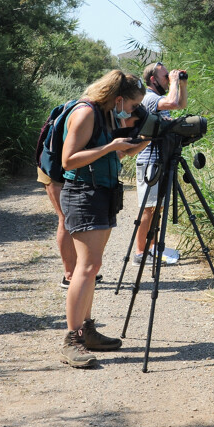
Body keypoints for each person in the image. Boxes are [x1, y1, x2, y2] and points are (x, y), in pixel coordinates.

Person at [58, 69, 149, 368]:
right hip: (83, 194)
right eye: (134, 106)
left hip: (101, 192)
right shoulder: (86, 112)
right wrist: (111, 145)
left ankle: (87, 330)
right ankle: (72, 339)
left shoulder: (106, 113)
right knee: (86, 268)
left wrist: (140, 143)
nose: (133, 112)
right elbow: (68, 160)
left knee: (93, 266)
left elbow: (107, 157)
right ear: (119, 98)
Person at [132, 62, 188, 266]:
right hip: (149, 160)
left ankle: (152, 247)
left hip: (159, 159)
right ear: (153, 79)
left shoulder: (160, 97)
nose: (168, 79)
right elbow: (173, 103)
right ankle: (140, 252)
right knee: (148, 208)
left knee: (158, 207)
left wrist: (181, 83)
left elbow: (180, 104)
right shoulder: (149, 98)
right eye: (165, 76)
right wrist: (174, 83)